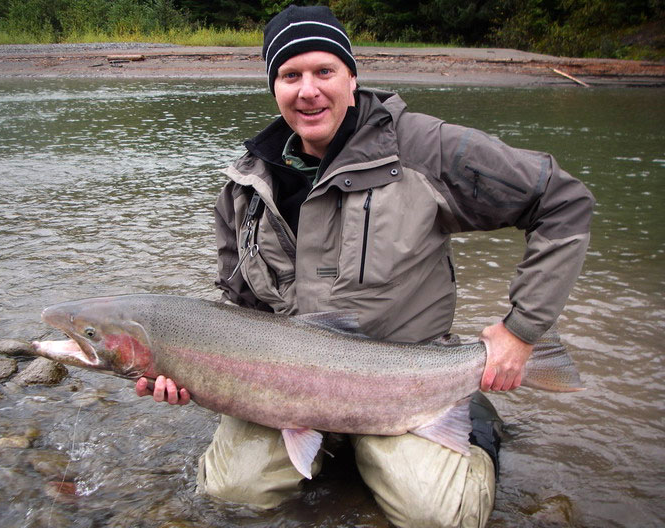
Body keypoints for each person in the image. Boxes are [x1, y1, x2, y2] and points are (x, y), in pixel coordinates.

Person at [136, 5, 594, 527]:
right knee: (233, 495)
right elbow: (235, 313)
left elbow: (561, 200)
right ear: (275, 88)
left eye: (324, 71)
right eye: (290, 75)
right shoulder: (246, 187)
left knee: (437, 517)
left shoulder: (426, 149)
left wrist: (522, 331)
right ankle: (338, 449)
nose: (307, 90)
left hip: (405, 376)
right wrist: (186, 369)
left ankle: (469, 415)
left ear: (352, 78)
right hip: (282, 389)